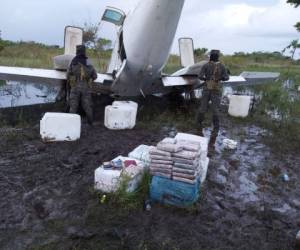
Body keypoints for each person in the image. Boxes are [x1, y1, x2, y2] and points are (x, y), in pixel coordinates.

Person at [197, 50, 229, 136]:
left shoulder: (206, 65)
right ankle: (216, 127)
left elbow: (200, 76)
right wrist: (220, 78)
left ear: (210, 57)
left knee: (203, 107)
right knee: (215, 109)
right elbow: (226, 78)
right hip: (217, 89)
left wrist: (206, 80)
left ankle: (199, 124)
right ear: (218, 57)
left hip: (207, 88)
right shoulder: (222, 66)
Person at [67, 45, 97, 125]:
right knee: (87, 105)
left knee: (73, 106)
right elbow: (95, 76)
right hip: (86, 87)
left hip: (75, 86)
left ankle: (70, 123)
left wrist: (71, 82)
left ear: (77, 51)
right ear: (84, 51)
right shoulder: (88, 61)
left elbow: (68, 74)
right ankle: (90, 122)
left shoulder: (73, 61)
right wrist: (88, 80)